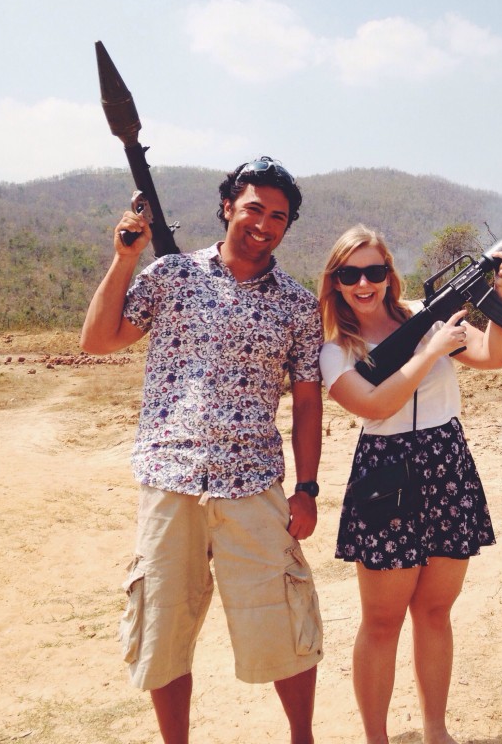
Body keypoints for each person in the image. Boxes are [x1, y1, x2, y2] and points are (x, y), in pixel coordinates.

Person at [80, 157, 324, 744]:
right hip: (170, 478)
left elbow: (309, 402)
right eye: (253, 209)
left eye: (278, 216)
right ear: (227, 208)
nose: (264, 223)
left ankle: (302, 738)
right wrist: (124, 258)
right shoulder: (170, 275)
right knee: (163, 628)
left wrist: (308, 489)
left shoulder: (296, 304)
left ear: (288, 226)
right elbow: (97, 340)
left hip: (254, 483)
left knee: (284, 622)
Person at [317, 224, 502, 744]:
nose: (364, 283)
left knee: (434, 610)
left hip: (445, 460)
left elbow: (493, 357)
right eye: (351, 274)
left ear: (390, 273)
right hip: (384, 471)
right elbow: (376, 405)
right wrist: (430, 351)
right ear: (335, 282)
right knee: (382, 621)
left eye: (375, 271)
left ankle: (436, 732)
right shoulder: (336, 351)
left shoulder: (422, 314)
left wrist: (500, 295)